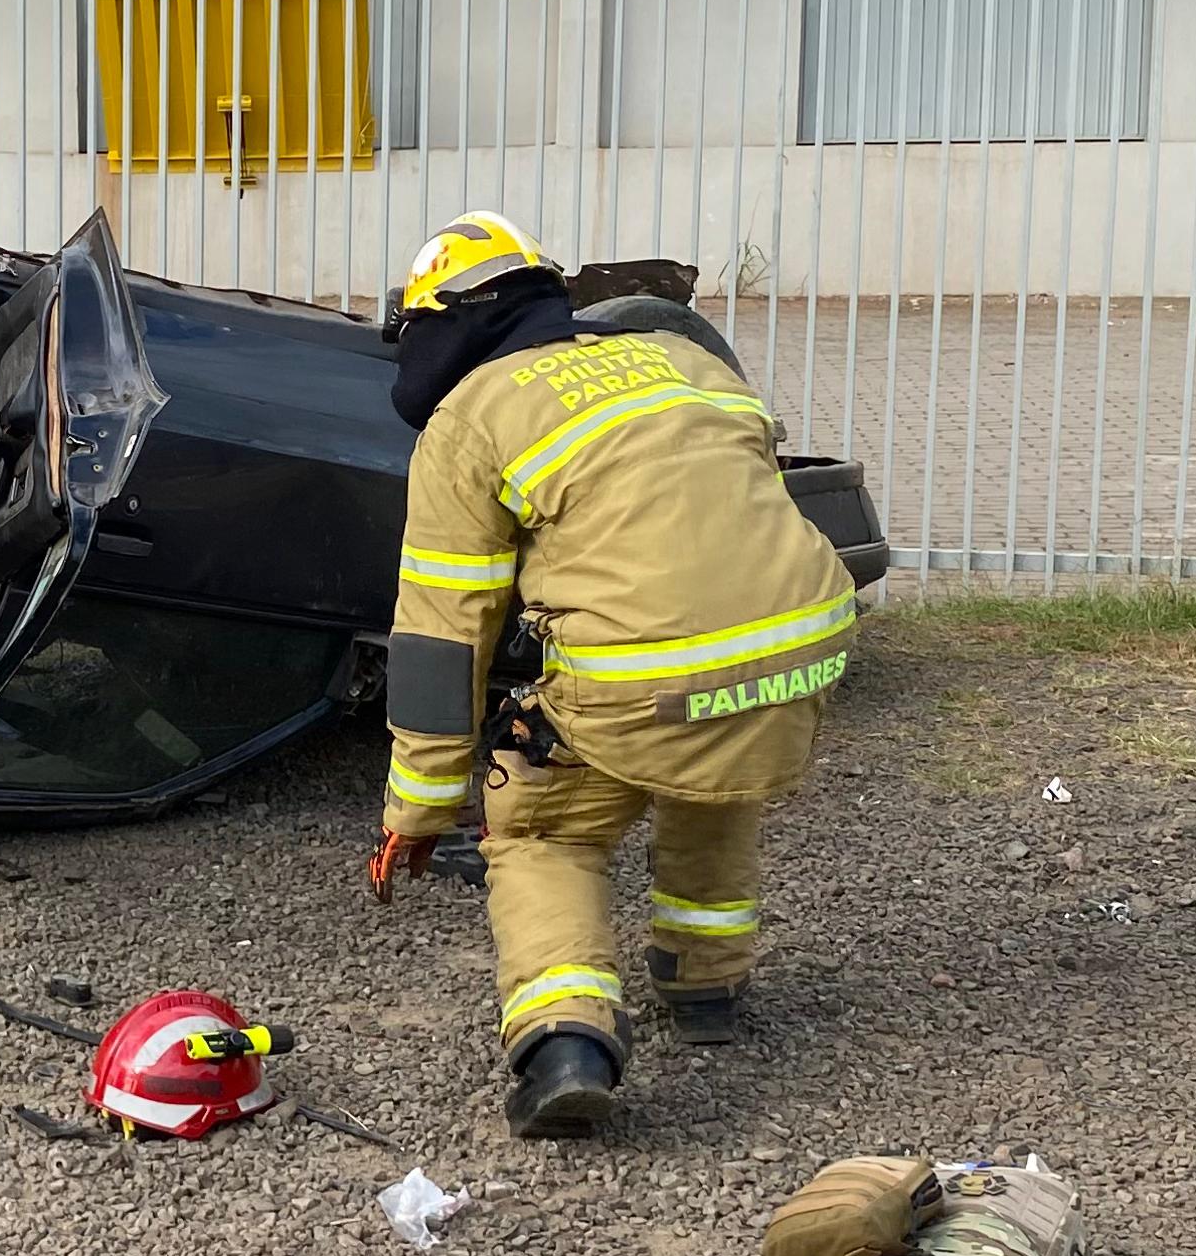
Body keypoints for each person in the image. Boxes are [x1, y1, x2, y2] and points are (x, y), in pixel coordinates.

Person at [362, 214, 856, 1140]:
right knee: (714, 759)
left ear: (438, 325)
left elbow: (442, 633)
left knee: (543, 829)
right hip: (802, 650)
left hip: (644, 680)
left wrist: (419, 809)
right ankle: (704, 985)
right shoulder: (685, 362)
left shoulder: (474, 417)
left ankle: (566, 1042)